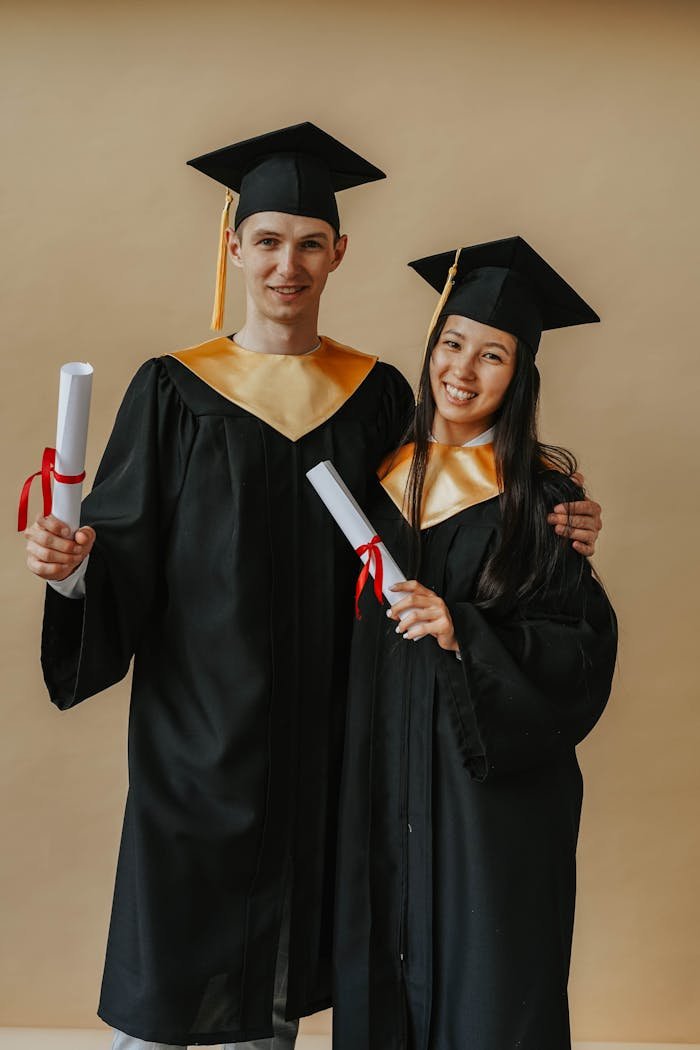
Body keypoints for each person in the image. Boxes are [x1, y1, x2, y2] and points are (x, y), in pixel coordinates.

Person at [22, 129, 602, 1050]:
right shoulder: (173, 390)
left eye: (308, 243)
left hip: (326, 743)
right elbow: (117, 548)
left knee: (285, 987)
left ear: (339, 253)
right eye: (266, 241)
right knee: (175, 985)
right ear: (233, 246)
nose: (286, 265)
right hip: (199, 742)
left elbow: (451, 502)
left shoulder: (372, 395)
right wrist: (74, 565)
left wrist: (556, 510)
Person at [331, 237, 618, 1050]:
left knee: (491, 983)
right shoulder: (374, 475)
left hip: (488, 799)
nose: (463, 368)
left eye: (493, 355)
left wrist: (468, 631)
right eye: (452, 342)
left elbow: (581, 651)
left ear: (519, 376)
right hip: (384, 777)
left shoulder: (543, 499)